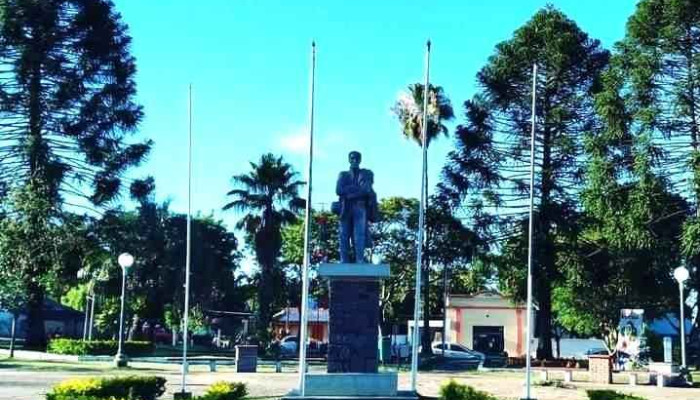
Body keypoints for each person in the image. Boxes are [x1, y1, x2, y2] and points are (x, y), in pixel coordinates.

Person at [333, 151, 378, 263]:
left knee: (359, 234)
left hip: (360, 207)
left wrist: (349, 192)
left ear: (360, 160)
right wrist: (357, 190)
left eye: (357, 158)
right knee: (344, 234)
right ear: (349, 159)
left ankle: (360, 260)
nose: (354, 160)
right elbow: (339, 190)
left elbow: (366, 189)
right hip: (345, 207)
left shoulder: (366, 173)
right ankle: (344, 260)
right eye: (352, 158)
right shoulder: (343, 175)